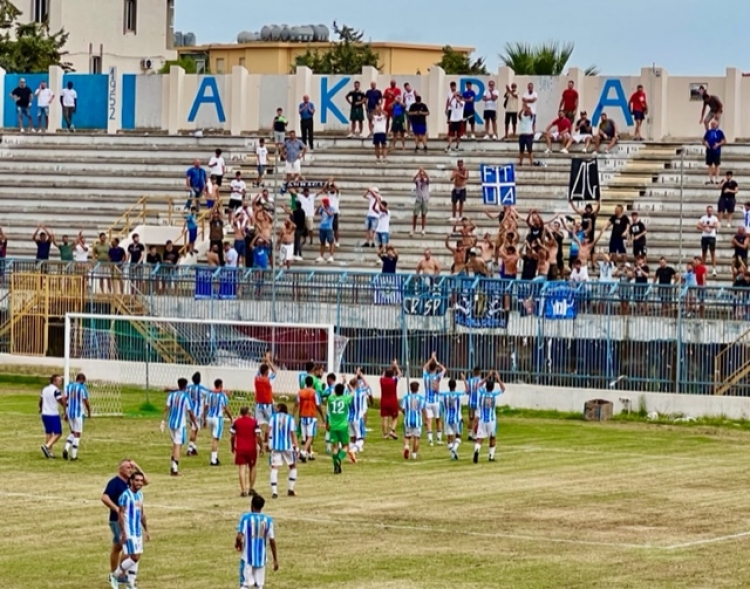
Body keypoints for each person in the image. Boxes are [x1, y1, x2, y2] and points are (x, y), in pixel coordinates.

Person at [102, 459, 149, 586]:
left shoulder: (130, 482)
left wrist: (137, 466)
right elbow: (104, 497)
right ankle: (118, 575)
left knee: (118, 547)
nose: (130, 469)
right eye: (128, 467)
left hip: (131, 522)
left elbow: (145, 481)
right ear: (120, 469)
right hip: (118, 520)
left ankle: (119, 574)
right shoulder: (115, 483)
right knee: (128, 550)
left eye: (131, 467)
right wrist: (116, 508)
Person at [235, 494, 278, 589]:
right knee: (259, 585)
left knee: (245, 584)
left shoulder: (246, 518)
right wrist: (275, 560)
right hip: (261, 559)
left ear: (251, 504)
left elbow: (239, 537)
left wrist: (237, 545)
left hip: (248, 558)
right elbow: (272, 540)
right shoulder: (268, 520)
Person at [160, 377, 197, 476]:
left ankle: (173, 466)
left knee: (175, 444)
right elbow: (190, 412)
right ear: (185, 385)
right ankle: (175, 469)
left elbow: (166, 408)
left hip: (171, 423)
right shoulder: (186, 397)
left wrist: (163, 420)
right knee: (178, 445)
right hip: (180, 424)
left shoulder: (171, 395)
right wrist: (195, 423)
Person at [266, 404, 299, 498]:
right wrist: (296, 447)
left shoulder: (273, 417)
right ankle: (290, 489)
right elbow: (293, 434)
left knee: (274, 468)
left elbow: (268, 431)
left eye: (277, 407)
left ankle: (274, 492)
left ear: (280, 408)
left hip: (275, 446)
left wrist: (266, 442)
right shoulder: (290, 419)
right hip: (287, 446)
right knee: (292, 466)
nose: (275, 409)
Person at [473, 371, 505, 463]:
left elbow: (478, 385)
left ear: (486, 387)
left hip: (482, 420)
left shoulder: (482, 393)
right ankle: (491, 457)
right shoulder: (494, 395)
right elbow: (503, 389)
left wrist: (487, 376)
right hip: (492, 420)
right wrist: (498, 378)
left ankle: (476, 451)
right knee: (492, 437)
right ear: (493, 388)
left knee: (480, 438)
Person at [230, 406, 262, 497]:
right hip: (251, 448)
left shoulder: (236, 422)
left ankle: (243, 490)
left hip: (240, 448)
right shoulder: (254, 422)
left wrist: (232, 446)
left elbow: (232, 436)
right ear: (248, 412)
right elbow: (258, 435)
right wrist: (261, 446)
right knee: (253, 467)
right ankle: (251, 488)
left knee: (242, 469)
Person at [327, 382, 355, 474]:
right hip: (343, 426)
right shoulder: (346, 399)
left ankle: (336, 467)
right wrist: (347, 384)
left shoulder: (330, 399)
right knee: (345, 446)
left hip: (333, 426)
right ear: (343, 391)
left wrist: (339, 386)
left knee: (335, 447)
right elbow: (353, 392)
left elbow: (333, 394)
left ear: (335, 391)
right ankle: (339, 458)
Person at [295, 376, 325, 462]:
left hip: (302, 416)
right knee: (311, 436)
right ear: (312, 383)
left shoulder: (300, 392)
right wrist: (322, 416)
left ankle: (308, 455)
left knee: (305, 438)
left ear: (305, 383)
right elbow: (318, 405)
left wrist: (294, 414)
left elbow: (296, 403)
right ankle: (303, 452)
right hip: (311, 416)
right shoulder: (314, 393)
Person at [62, 373, 91, 461]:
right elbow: (85, 401)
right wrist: (89, 411)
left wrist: (65, 412)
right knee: (77, 434)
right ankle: (73, 456)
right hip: (78, 414)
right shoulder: (82, 388)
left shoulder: (69, 386)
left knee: (72, 432)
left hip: (70, 412)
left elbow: (64, 400)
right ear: (83, 380)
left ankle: (66, 448)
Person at [204, 378, 232, 467]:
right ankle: (213, 459)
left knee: (214, 437)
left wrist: (204, 418)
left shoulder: (209, 394)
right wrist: (231, 417)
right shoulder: (222, 396)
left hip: (209, 417)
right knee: (216, 439)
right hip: (217, 418)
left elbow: (205, 407)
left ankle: (215, 458)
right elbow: (226, 408)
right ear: (220, 385)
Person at [422, 352, 446, 446]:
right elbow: (444, 369)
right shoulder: (437, 377)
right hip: (436, 401)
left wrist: (431, 359)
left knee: (429, 420)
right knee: (438, 419)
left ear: (429, 368)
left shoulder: (426, 376)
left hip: (427, 401)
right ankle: (439, 439)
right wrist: (436, 361)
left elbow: (424, 368)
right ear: (436, 368)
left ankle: (430, 440)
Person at [39, 374, 64, 458]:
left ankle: (49, 452)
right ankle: (47, 446)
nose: (61, 382)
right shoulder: (56, 390)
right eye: (59, 380)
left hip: (44, 414)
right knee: (58, 433)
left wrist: (40, 408)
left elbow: (41, 400)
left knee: (49, 433)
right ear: (54, 381)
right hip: (53, 414)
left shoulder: (44, 389)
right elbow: (60, 401)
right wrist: (66, 406)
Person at [185, 371, 209, 457]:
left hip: (190, 411)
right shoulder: (202, 389)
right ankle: (189, 449)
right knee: (194, 429)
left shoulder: (189, 388)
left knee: (195, 428)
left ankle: (193, 447)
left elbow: (181, 390)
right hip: (198, 413)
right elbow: (211, 392)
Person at [400, 381, 426, 460]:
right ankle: (414, 454)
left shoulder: (406, 397)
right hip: (417, 420)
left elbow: (402, 408)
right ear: (418, 389)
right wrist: (426, 419)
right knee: (416, 438)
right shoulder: (421, 398)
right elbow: (423, 409)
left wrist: (405, 414)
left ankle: (407, 446)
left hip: (408, 420)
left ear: (410, 389)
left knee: (407, 437)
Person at [254, 355, 277, 441]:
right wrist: (269, 361)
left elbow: (259, 371)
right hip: (267, 405)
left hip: (258, 405)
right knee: (271, 422)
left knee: (257, 424)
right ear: (267, 372)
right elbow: (275, 371)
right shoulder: (269, 380)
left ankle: (258, 440)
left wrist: (263, 362)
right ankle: (267, 438)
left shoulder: (256, 379)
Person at [441, 378, 464, 460]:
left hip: (447, 419)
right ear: (455, 386)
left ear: (448, 386)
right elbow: (468, 391)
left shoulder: (444, 395)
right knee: (458, 436)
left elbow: (436, 392)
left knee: (449, 437)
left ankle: (453, 455)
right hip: (457, 418)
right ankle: (455, 448)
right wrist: (464, 380)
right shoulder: (459, 395)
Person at [379, 360, 401, 440]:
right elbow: (399, 374)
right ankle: (392, 430)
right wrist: (395, 365)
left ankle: (385, 434)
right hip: (392, 401)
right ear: (392, 374)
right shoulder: (394, 380)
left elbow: (384, 374)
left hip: (384, 401)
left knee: (385, 418)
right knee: (395, 417)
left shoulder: (382, 380)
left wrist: (391, 367)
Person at [697, 205, 720, 275]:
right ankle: (703, 268)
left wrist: (706, 226)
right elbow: (698, 225)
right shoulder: (703, 218)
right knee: (704, 253)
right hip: (704, 236)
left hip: (712, 236)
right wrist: (704, 228)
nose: (709, 212)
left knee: (712, 253)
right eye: (708, 210)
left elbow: (716, 225)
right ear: (707, 211)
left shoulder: (715, 218)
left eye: (711, 210)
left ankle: (714, 269)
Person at [703, 120, 726, 184]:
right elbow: (703, 140)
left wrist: (718, 144)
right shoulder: (708, 132)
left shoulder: (720, 132)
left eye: (714, 124)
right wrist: (706, 143)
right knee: (710, 165)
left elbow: (724, 141)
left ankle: (717, 179)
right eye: (712, 124)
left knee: (717, 165)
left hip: (717, 151)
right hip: (709, 151)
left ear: (717, 125)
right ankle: (710, 178)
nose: (712, 125)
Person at [463, 367, 482, 440]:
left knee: (471, 418)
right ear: (480, 373)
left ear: (473, 373)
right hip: (478, 403)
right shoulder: (481, 381)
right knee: (477, 418)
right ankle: (473, 434)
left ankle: (469, 434)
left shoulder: (469, 381)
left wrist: (464, 379)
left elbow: (467, 392)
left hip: (470, 402)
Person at [316, 197, 336, 263]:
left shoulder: (332, 208)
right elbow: (316, 213)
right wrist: (318, 207)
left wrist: (324, 208)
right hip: (322, 227)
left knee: (331, 242)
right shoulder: (322, 209)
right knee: (322, 242)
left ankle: (331, 256)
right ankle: (321, 256)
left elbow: (330, 214)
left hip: (329, 228)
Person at [445, 81, 464, 152]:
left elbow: (460, 102)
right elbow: (449, 103)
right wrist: (453, 97)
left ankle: (457, 146)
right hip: (453, 119)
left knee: (458, 135)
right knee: (450, 134)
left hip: (459, 119)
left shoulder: (462, 102)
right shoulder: (452, 99)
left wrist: (457, 96)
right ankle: (449, 145)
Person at [411, 168, 430, 235]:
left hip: (425, 199)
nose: (422, 176)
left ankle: (423, 229)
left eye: (423, 175)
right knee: (415, 214)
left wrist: (424, 171)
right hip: (418, 199)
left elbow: (428, 178)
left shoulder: (426, 181)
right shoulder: (417, 180)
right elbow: (413, 179)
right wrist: (418, 172)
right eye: (420, 175)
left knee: (423, 214)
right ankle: (413, 229)